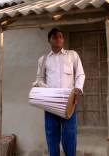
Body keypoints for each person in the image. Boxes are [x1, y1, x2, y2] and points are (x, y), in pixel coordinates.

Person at [33, 28, 85, 156]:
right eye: (55, 37)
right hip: (50, 102)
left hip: (69, 101)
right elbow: (40, 79)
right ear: (49, 40)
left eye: (61, 36)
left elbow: (80, 74)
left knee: (70, 133)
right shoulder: (43, 60)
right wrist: (43, 87)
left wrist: (78, 88)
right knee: (51, 133)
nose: (58, 39)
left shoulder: (72, 55)